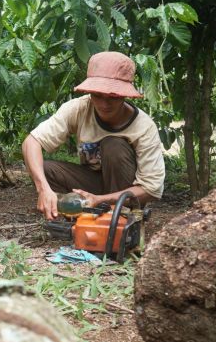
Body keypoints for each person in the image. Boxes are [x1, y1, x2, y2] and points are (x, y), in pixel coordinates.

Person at [22, 51, 165, 220]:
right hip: (92, 185)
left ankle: (120, 217)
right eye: (97, 95)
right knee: (43, 170)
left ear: (125, 95)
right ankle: (79, 215)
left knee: (113, 145)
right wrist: (43, 189)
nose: (104, 104)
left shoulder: (143, 126)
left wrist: (100, 200)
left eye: (113, 97)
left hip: (124, 194)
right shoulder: (78, 109)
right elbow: (31, 142)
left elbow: (151, 189)